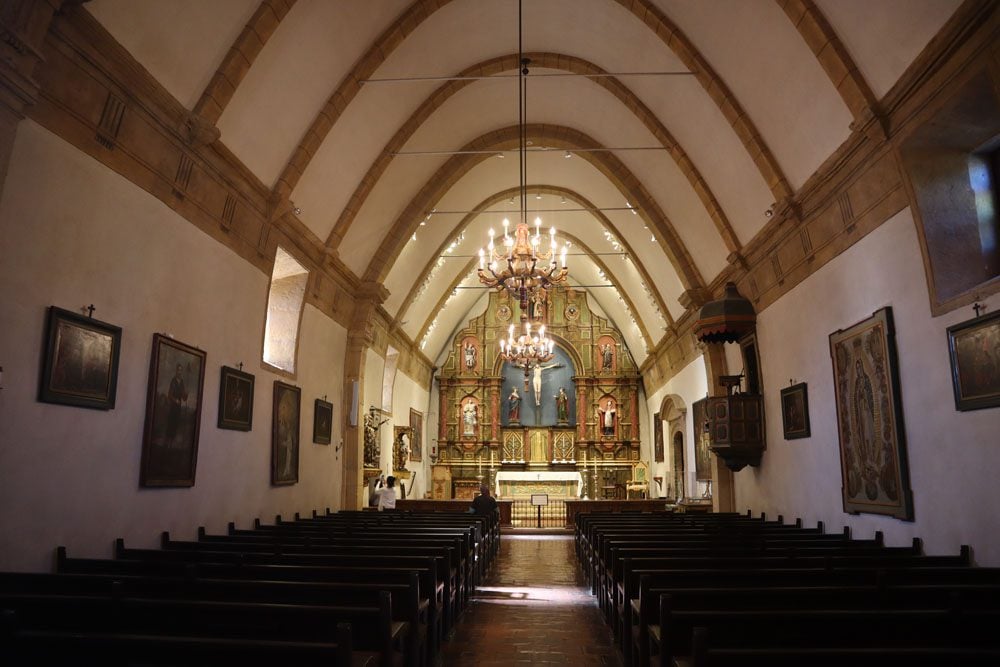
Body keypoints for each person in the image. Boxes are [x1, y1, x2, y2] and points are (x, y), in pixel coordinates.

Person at [165, 363, 188, 446]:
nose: (179, 372)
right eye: (178, 370)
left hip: (178, 407)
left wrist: (186, 394)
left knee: (176, 423)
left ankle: (172, 442)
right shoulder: (173, 381)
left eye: (181, 370)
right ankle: (167, 441)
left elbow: (184, 398)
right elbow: (169, 395)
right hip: (173, 406)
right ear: (176, 371)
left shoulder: (182, 382)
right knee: (171, 422)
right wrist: (175, 401)